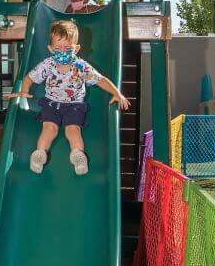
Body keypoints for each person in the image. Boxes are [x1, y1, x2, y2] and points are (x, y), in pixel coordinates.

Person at [9, 19, 129, 175]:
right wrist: (24, 90)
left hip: (74, 106)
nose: (62, 52)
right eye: (57, 48)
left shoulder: (81, 66)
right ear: (50, 48)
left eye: (67, 48)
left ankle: (78, 155)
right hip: (51, 104)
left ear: (76, 49)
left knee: (73, 129)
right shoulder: (48, 64)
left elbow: (100, 79)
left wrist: (116, 93)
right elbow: (30, 77)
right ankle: (39, 154)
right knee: (49, 128)